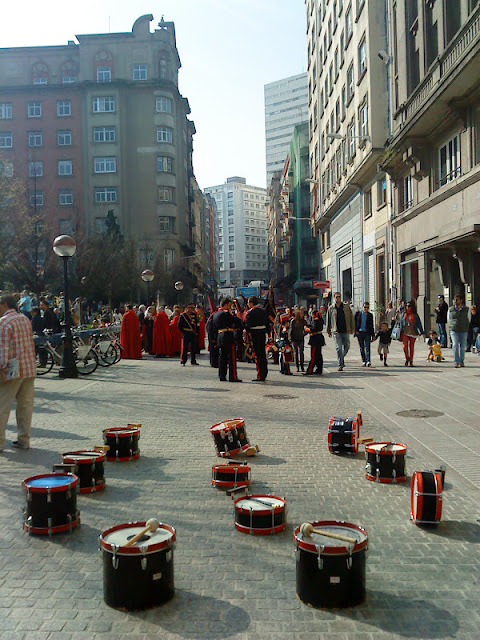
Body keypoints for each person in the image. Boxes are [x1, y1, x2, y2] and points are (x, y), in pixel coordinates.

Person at [0, 294, 37, 451]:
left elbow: (3, 350)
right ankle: (24, 439)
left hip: (12, 372)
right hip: (28, 368)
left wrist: (1, 369)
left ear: (4, 305)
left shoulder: (4, 323)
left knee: (2, 407)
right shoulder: (25, 319)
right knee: (25, 406)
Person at [212, 298, 242, 382]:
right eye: (229, 305)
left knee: (222, 358)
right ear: (225, 305)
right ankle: (233, 377)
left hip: (220, 336)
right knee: (231, 358)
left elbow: (212, 328)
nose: (230, 307)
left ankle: (222, 376)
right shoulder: (225, 313)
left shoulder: (215, 314)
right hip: (228, 336)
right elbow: (236, 322)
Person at [326, 292, 354, 371]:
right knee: (338, 348)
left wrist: (352, 328)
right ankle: (340, 364)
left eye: (339, 297)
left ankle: (341, 358)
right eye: (336, 297)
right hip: (336, 331)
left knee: (347, 346)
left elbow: (351, 317)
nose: (338, 298)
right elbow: (328, 320)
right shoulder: (331, 308)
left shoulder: (346, 307)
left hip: (345, 330)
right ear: (334, 298)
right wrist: (328, 330)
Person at [244, 296, 270, 381]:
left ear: (251, 303)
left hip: (255, 334)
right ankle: (264, 372)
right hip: (262, 333)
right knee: (262, 354)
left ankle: (260, 375)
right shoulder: (263, 311)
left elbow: (248, 325)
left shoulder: (250, 313)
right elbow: (267, 323)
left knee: (257, 355)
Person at [398, 300, 424, 366]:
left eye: (409, 306)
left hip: (413, 332)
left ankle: (411, 361)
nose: (408, 307)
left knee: (411, 347)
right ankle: (407, 358)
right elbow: (400, 323)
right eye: (406, 306)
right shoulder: (404, 314)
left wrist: (422, 332)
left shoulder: (415, 315)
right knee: (404, 347)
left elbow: (419, 324)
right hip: (405, 332)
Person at [448, 293, 469, 368]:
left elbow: (468, 318)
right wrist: (450, 326)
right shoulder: (451, 309)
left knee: (463, 346)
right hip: (454, 329)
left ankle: (461, 361)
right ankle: (456, 361)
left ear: (461, 300)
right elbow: (449, 318)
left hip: (463, 329)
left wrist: (467, 326)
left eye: (457, 300)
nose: (455, 301)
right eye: (454, 300)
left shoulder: (466, 309)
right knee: (455, 345)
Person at [354, 301, 375, 367]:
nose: (366, 308)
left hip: (367, 332)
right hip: (360, 332)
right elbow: (354, 323)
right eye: (365, 307)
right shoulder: (358, 314)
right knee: (361, 347)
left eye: (367, 307)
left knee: (367, 347)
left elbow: (371, 326)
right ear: (362, 307)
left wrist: (373, 335)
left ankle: (368, 361)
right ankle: (364, 360)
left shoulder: (370, 315)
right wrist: (355, 331)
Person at [304, 311, 324, 375]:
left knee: (313, 355)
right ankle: (319, 369)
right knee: (319, 355)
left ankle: (310, 370)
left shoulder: (316, 321)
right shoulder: (320, 320)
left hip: (315, 339)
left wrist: (306, 329)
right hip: (319, 338)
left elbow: (313, 329)